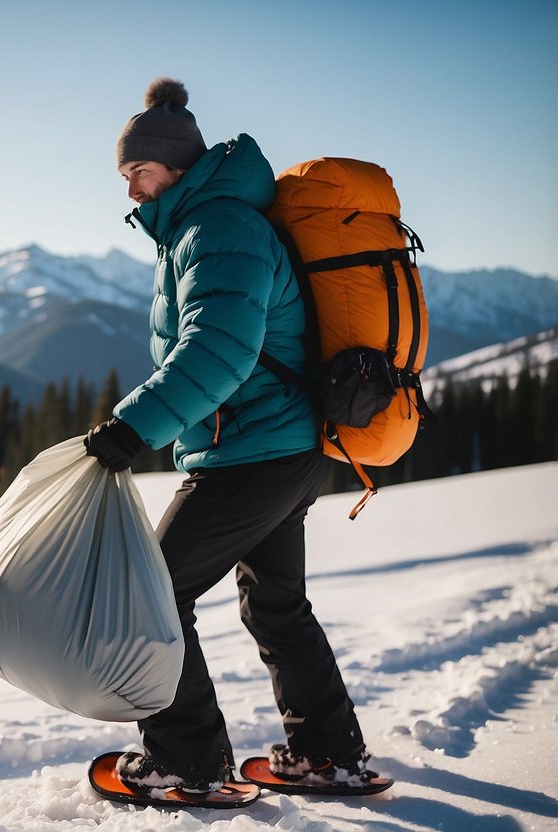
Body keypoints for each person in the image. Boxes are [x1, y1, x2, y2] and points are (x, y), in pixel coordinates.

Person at [83, 77, 379, 795]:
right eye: (123, 177)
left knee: (151, 597)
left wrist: (134, 429)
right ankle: (326, 753)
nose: (129, 191)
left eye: (138, 173)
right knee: (275, 602)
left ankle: (186, 762)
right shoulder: (208, 223)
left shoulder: (216, 227)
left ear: (176, 167)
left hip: (251, 453)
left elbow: (217, 347)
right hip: (282, 447)